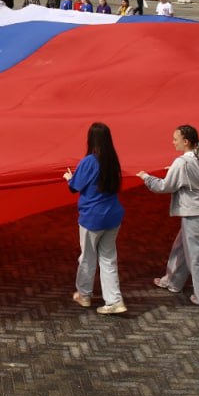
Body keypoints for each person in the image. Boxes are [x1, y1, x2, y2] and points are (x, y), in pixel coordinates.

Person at [142, 125, 199, 309]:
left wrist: (146, 177)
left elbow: (165, 186)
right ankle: (173, 281)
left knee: (196, 257)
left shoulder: (182, 162)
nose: (173, 142)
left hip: (195, 213)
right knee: (182, 247)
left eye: (175, 139)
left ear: (186, 141)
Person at [64, 122, 126, 315]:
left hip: (93, 217)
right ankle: (114, 300)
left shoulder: (89, 161)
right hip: (113, 216)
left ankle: (84, 295)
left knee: (87, 258)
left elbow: (74, 186)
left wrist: (69, 178)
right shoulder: (113, 161)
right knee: (108, 259)